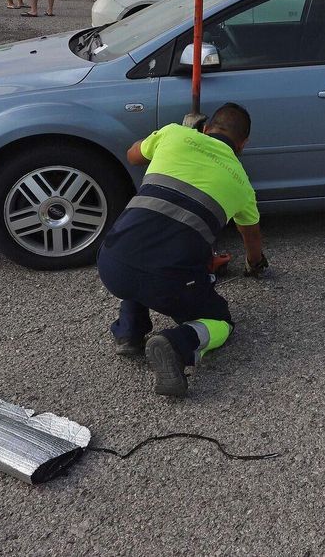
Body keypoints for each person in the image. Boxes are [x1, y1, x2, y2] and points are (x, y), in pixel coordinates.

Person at [97, 103, 268, 398]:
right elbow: (251, 241)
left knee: (141, 250)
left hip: (112, 262)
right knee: (221, 322)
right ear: (243, 145)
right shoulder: (242, 184)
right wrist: (254, 265)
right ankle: (176, 343)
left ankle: (129, 332)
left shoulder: (174, 133)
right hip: (168, 281)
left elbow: (133, 154)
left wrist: (179, 133)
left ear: (206, 127)